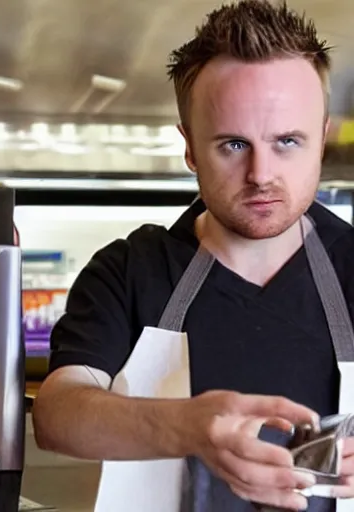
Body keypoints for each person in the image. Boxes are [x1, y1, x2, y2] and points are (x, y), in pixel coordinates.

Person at [32, 1, 354, 510]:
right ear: (190, 147)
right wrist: (190, 426)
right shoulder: (129, 271)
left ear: (322, 138)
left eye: (288, 141)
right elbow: (57, 415)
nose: (261, 174)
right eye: (232, 145)